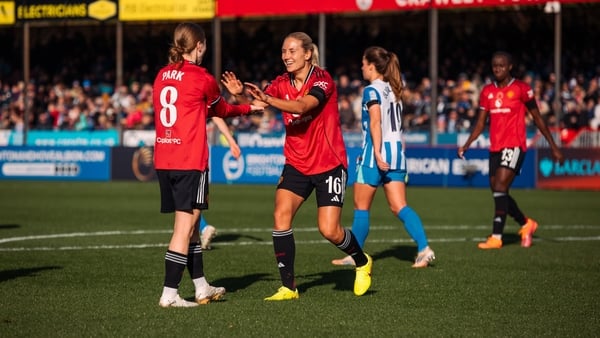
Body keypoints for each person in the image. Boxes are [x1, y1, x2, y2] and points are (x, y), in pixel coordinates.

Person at [221, 32, 373, 300]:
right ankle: (289, 288)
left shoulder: (323, 80)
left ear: (307, 53)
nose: (286, 56)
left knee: (329, 230)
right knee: (280, 216)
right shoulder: (280, 83)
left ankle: (361, 261)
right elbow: (257, 105)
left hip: (329, 163)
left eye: (292, 51)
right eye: (283, 51)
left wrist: (268, 101)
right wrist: (238, 98)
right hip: (296, 163)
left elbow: (303, 105)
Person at [153, 22, 262, 308]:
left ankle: (201, 286)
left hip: (165, 157)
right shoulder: (201, 77)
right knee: (184, 227)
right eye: (204, 46)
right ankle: (170, 294)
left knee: (191, 224)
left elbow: (203, 109)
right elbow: (221, 110)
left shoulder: (162, 76)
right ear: (199, 46)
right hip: (190, 159)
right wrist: (250, 107)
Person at [331, 46, 435, 268]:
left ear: (371, 65)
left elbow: (376, 122)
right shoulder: (394, 89)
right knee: (399, 206)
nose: (361, 67)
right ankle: (424, 248)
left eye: (363, 63)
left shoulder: (371, 90)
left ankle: (355, 255)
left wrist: (377, 152)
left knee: (361, 207)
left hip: (375, 153)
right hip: (397, 152)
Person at [457, 51, 565, 249]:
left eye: (501, 65)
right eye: (494, 65)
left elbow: (537, 118)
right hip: (495, 147)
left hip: (514, 145)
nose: (497, 68)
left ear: (510, 67)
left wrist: (554, 146)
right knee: (499, 191)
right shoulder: (487, 91)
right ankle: (526, 223)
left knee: (499, 187)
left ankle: (496, 237)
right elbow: (481, 124)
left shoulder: (522, 89)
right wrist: (466, 144)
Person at [198, 116, 242, 250]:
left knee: (183, 204)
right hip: (194, 156)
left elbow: (216, 114)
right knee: (187, 203)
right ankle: (200, 230)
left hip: (188, 156)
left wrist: (231, 141)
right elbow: (217, 114)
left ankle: (203, 229)